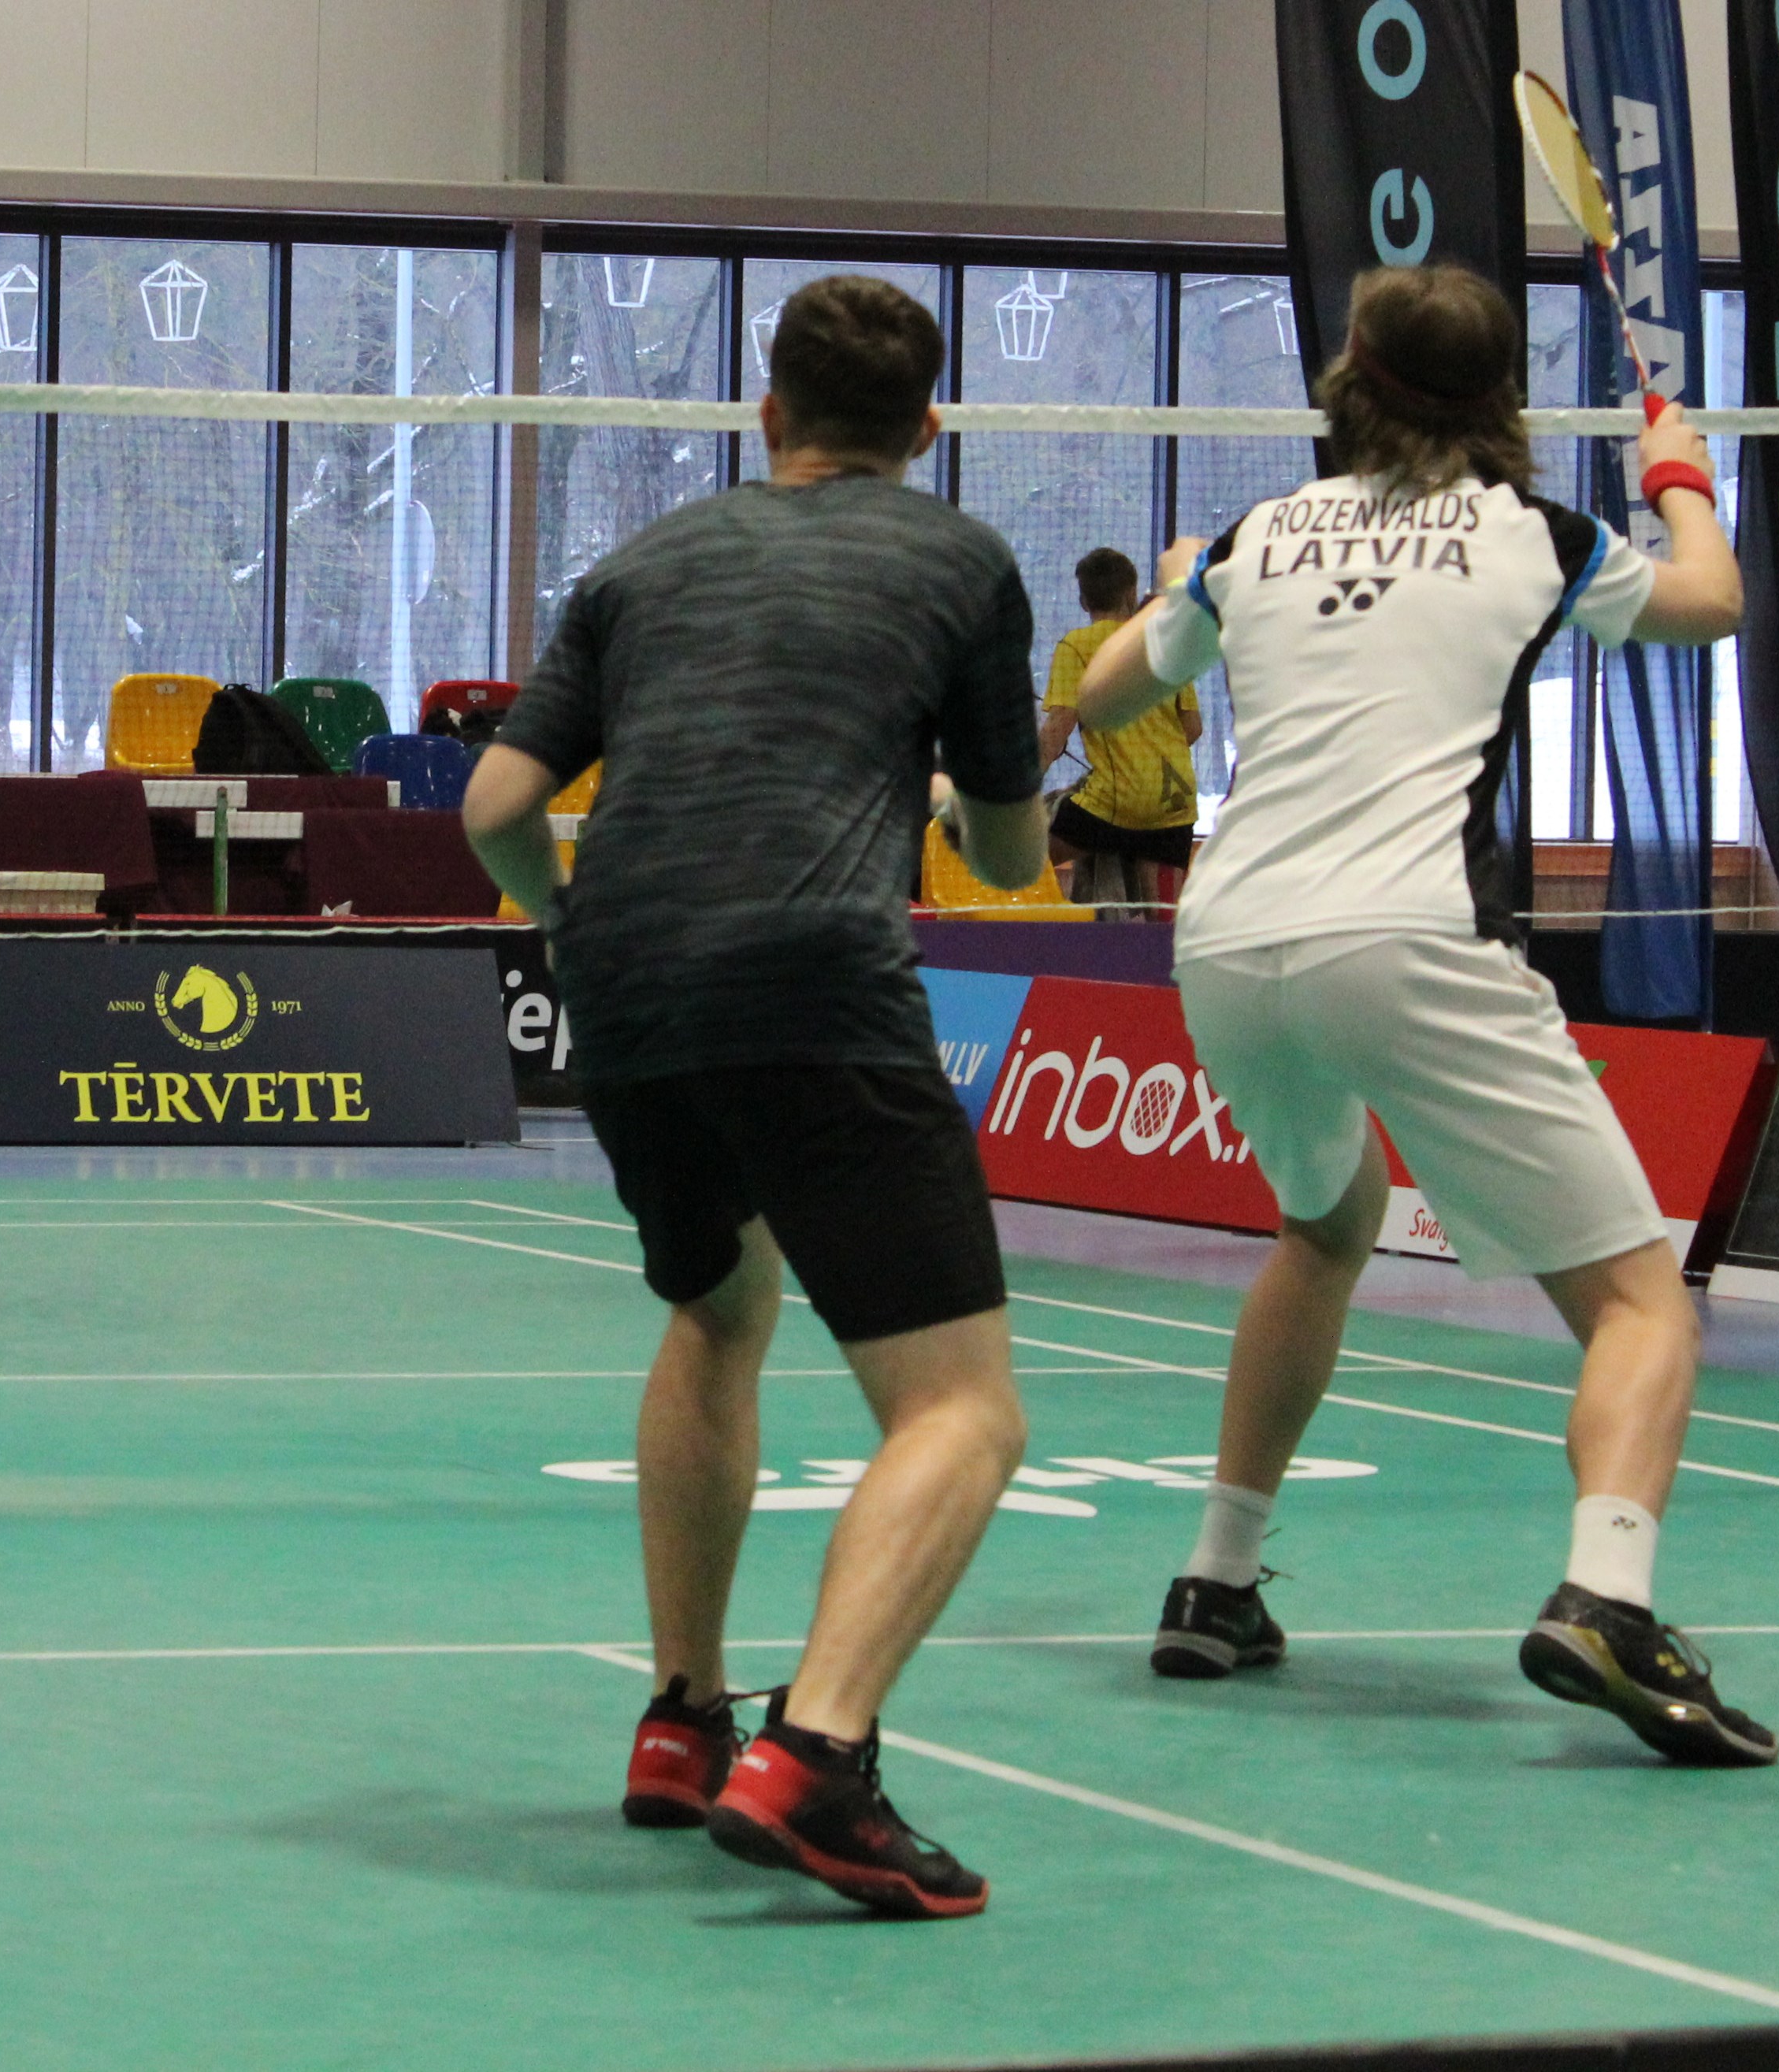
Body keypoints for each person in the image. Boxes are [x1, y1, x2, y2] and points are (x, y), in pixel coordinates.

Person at [1070, 263, 1771, 1766]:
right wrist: (1679, 477)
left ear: (1349, 384)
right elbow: (1709, 603)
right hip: (1402, 937)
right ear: (1496, 397)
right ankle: (1607, 1597)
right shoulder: (1540, 535)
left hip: (1225, 944)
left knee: (1323, 1228)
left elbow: (1106, 698)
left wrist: (1179, 585)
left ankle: (1214, 1578)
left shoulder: (1256, 537)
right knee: (1639, 1303)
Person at [463, 274, 1048, 1919]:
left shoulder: (643, 561)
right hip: (810, 982)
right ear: (928, 428)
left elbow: (497, 805)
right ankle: (817, 1757)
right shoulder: (961, 562)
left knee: (721, 1310)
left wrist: (564, 918)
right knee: (962, 1410)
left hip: (622, 988)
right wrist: (978, 798)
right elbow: (1009, 858)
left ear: (768, 412)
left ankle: (681, 1719)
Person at [1039, 547, 1201, 912]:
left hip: (1113, 803)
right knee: (1165, 920)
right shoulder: (1167, 642)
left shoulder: (1076, 647)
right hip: (1175, 803)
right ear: (1131, 592)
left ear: (1084, 601)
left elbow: (1056, 733)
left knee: (1019, 859)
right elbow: (1192, 728)